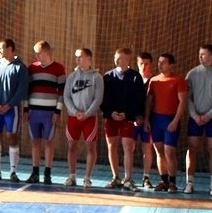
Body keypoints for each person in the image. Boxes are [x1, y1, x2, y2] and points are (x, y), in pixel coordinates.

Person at [184, 44, 212, 195]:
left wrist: (208, 115)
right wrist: (195, 115)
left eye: (203, 54)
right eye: (200, 54)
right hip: (195, 118)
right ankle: (189, 182)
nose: (200, 57)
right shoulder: (192, 74)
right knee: (192, 148)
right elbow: (187, 98)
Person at [100, 47, 146, 191]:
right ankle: (116, 177)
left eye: (120, 58)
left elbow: (139, 99)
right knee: (111, 146)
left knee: (128, 146)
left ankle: (128, 178)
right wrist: (110, 112)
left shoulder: (135, 77)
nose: (117, 60)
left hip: (127, 119)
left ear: (127, 59)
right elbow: (103, 98)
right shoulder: (108, 76)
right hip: (111, 118)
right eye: (116, 57)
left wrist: (128, 113)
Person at [0, 39, 29, 181]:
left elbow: (22, 90)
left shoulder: (20, 67)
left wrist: (9, 105)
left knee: (12, 137)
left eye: (1, 48)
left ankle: (13, 172)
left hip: (11, 109)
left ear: (10, 49)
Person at [145, 53, 188, 193]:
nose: (160, 64)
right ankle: (164, 181)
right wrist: (147, 120)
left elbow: (182, 102)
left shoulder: (178, 80)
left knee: (169, 151)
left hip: (170, 119)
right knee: (159, 151)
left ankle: (172, 182)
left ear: (171, 65)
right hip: (156, 120)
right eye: (159, 62)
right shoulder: (154, 80)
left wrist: (175, 120)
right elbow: (149, 102)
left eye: (163, 62)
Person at [25, 41, 66, 184]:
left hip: (49, 113)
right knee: (35, 142)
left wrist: (58, 111)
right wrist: (26, 109)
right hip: (34, 112)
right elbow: (26, 91)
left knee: (49, 142)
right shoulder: (31, 68)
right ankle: (35, 172)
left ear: (47, 53)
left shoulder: (59, 68)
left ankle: (47, 174)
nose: (36, 56)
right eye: (35, 53)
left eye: (39, 53)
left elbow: (61, 92)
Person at [62, 48, 104, 187]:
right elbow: (66, 96)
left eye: (80, 57)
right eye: (76, 57)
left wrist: (87, 113)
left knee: (90, 146)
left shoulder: (97, 77)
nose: (77, 59)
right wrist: (75, 112)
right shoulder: (71, 77)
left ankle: (87, 177)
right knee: (71, 145)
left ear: (88, 58)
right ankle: (72, 176)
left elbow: (98, 99)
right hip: (73, 117)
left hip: (89, 118)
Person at [135, 52, 156, 188]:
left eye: (146, 64)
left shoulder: (155, 80)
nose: (144, 66)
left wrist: (146, 118)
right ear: (137, 64)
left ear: (151, 64)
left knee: (147, 148)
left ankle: (146, 177)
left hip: (149, 121)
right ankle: (127, 177)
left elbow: (154, 102)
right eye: (141, 64)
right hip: (133, 120)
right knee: (129, 147)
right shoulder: (133, 78)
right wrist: (135, 117)